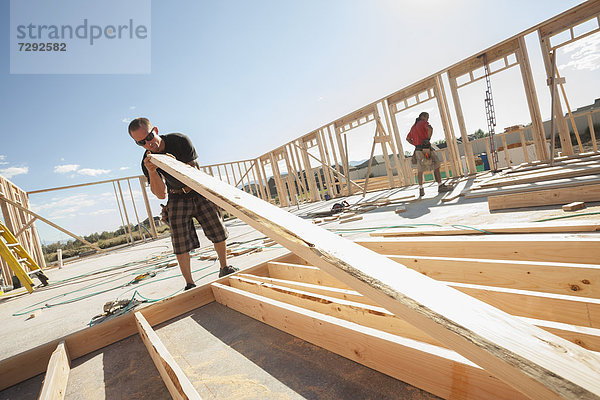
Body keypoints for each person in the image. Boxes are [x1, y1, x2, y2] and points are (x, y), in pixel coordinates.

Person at [128, 117, 238, 290]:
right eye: (141, 142)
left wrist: (173, 164)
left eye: (149, 137)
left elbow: (193, 175)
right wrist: (153, 172)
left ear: (155, 130)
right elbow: (160, 194)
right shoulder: (147, 161)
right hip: (176, 196)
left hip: (198, 190)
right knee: (180, 242)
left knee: (217, 230)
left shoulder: (179, 141)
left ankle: (224, 267)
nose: (148, 144)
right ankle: (189, 283)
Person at [406, 112, 451, 197]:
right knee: (435, 164)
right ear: (422, 117)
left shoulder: (413, 127)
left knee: (420, 170)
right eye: (427, 117)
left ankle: (421, 189)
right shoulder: (423, 123)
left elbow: (408, 139)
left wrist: (415, 144)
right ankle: (440, 186)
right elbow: (430, 128)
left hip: (418, 150)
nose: (428, 119)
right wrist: (428, 139)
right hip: (426, 150)